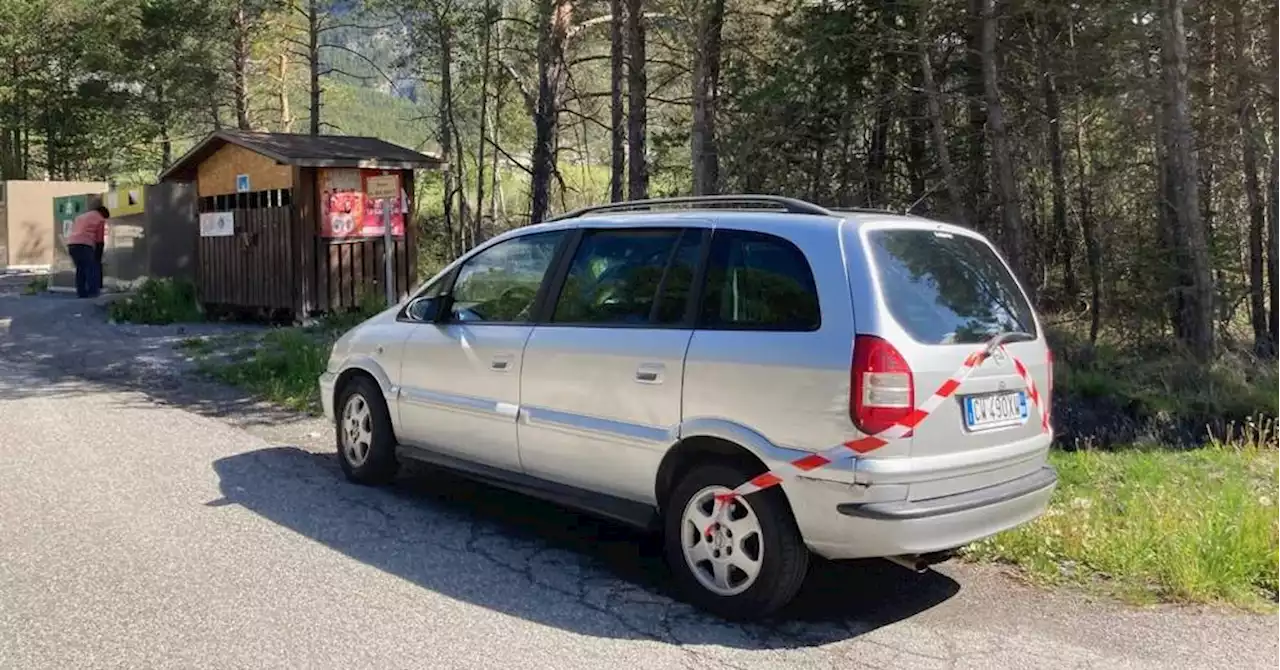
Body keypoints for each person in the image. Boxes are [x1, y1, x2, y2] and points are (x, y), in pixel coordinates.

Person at [66, 205, 109, 298]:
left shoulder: (80, 217)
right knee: (92, 268)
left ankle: (81, 293)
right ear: (104, 214)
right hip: (84, 244)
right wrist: (99, 256)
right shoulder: (100, 219)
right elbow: (99, 240)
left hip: (71, 244)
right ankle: (93, 292)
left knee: (80, 269)